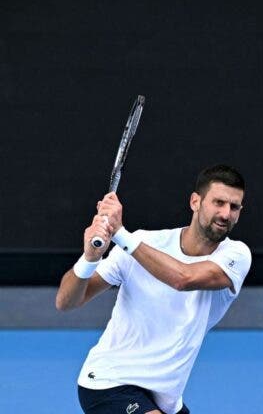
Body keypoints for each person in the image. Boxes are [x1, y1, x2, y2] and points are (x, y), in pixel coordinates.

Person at [56, 164, 251, 414]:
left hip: (165, 397)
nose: (226, 213)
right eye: (218, 202)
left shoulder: (235, 256)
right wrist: (89, 258)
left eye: (234, 207)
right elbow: (66, 301)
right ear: (195, 202)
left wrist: (121, 235)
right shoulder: (143, 243)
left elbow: (184, 278)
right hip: (110, 383)